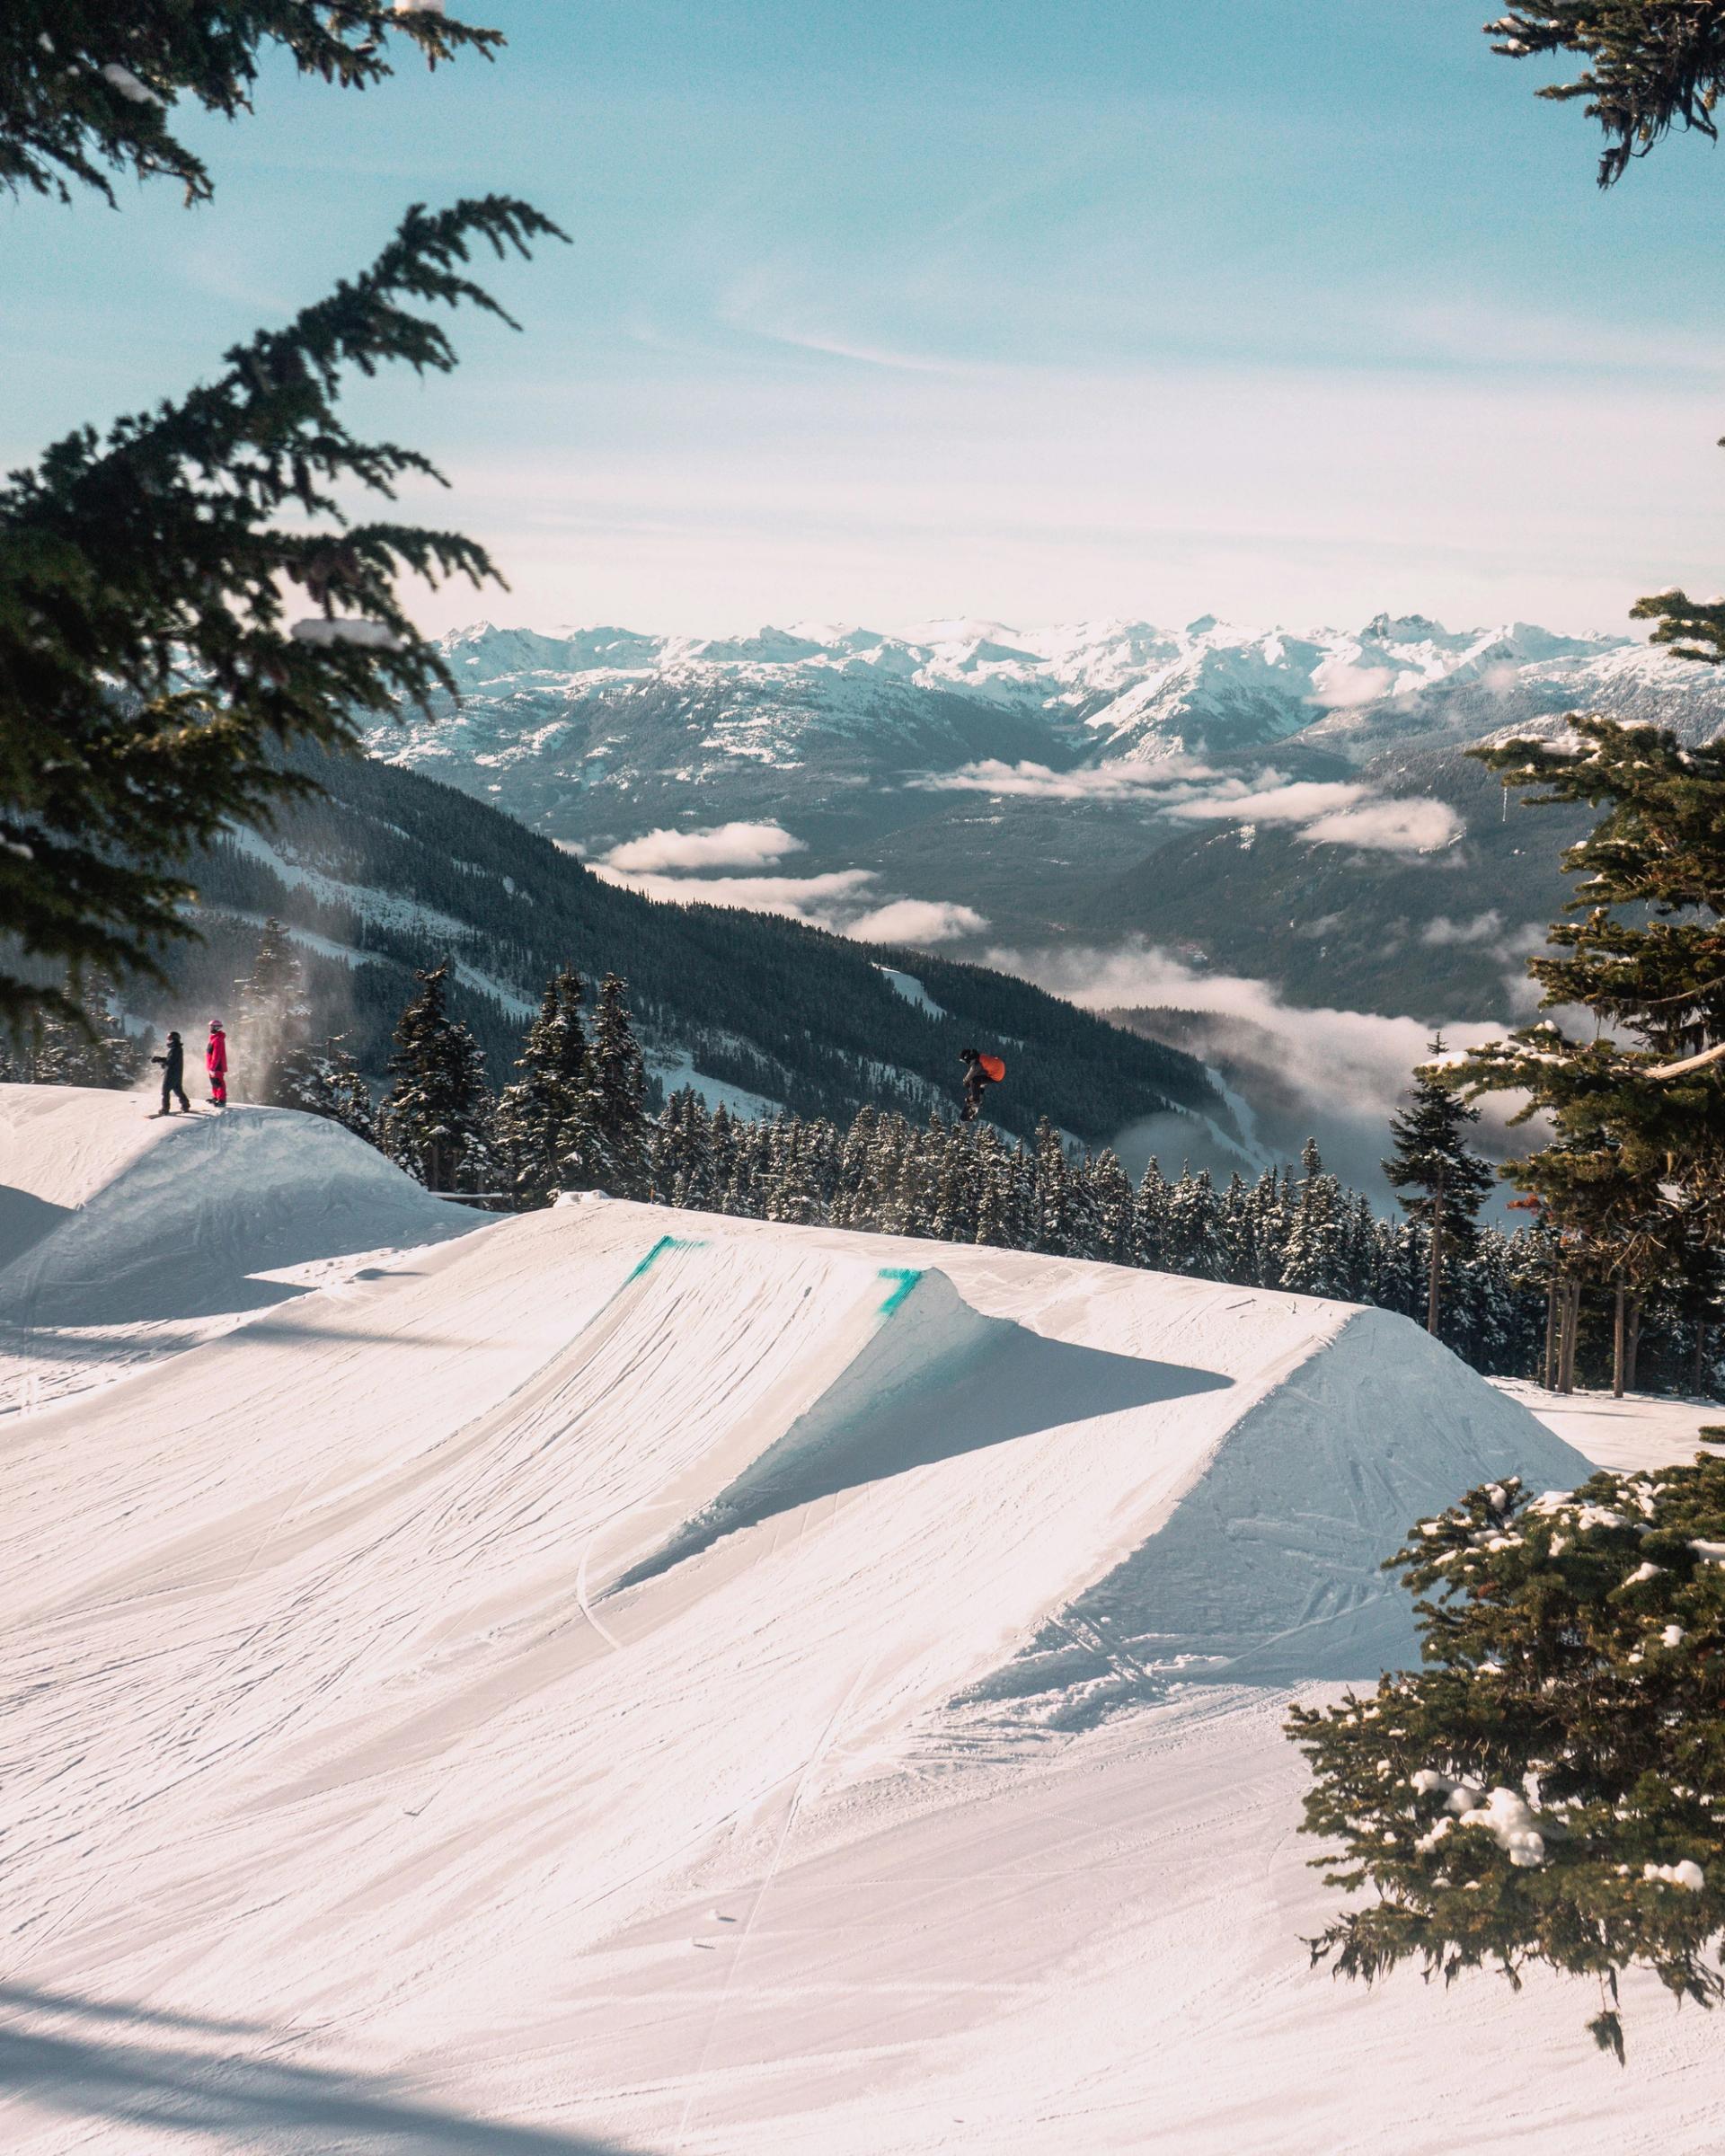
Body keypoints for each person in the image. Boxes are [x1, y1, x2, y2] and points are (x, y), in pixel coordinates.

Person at [959, 1046, 1004, 1124]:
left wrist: (965, 1082)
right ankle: (977, 1096)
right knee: (977, 1081)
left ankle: (976, 1100)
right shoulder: (980, 1057)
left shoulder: (976, 1063)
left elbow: (971, 1074)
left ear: (967, 1058)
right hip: (999, 1068)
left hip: (996, 1075)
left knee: (974, 1081)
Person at [151, 1030, 190, 1115]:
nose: (168, 1041)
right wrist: (160, 1059)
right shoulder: (177, 1048)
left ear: (174, 1040)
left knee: (165, 1091)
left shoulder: (175, 1049)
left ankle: (165, 1109)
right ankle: (185, 1105)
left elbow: (170, 1062)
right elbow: (170, 1060)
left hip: (171, 1074)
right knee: (178, 1090)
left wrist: (159, 1060)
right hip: (177, 1073)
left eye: (169, 1039)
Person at [206, 1020, 228, 1107]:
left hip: (217, 1067)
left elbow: (216, 1055)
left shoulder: (218, 1039)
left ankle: (222, 1100)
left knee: (219, 1082)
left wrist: (212, 1068)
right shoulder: (214, 1038)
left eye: (211, 1027)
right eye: (210, 1026)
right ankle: (216, 1097)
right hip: (212, 1066)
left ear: (216, 1027)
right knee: (214, 1082)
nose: (210, 1028)